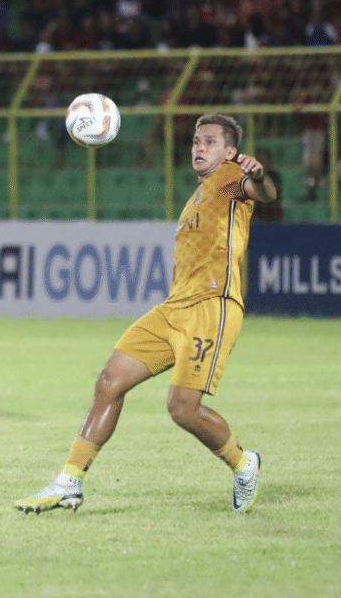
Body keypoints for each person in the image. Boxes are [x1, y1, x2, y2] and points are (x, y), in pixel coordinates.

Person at [14, 113, 276, 515]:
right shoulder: (199, 194)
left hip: (211, 306)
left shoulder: (228, 178)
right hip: (173, 308)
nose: (199, 147)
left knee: (182, 409)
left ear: (230, 151)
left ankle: (244, 464)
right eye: (194, 141)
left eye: (209, 141)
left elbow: (264, 193)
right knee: (109, 382)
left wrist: (259, 174)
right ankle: (70, 480)